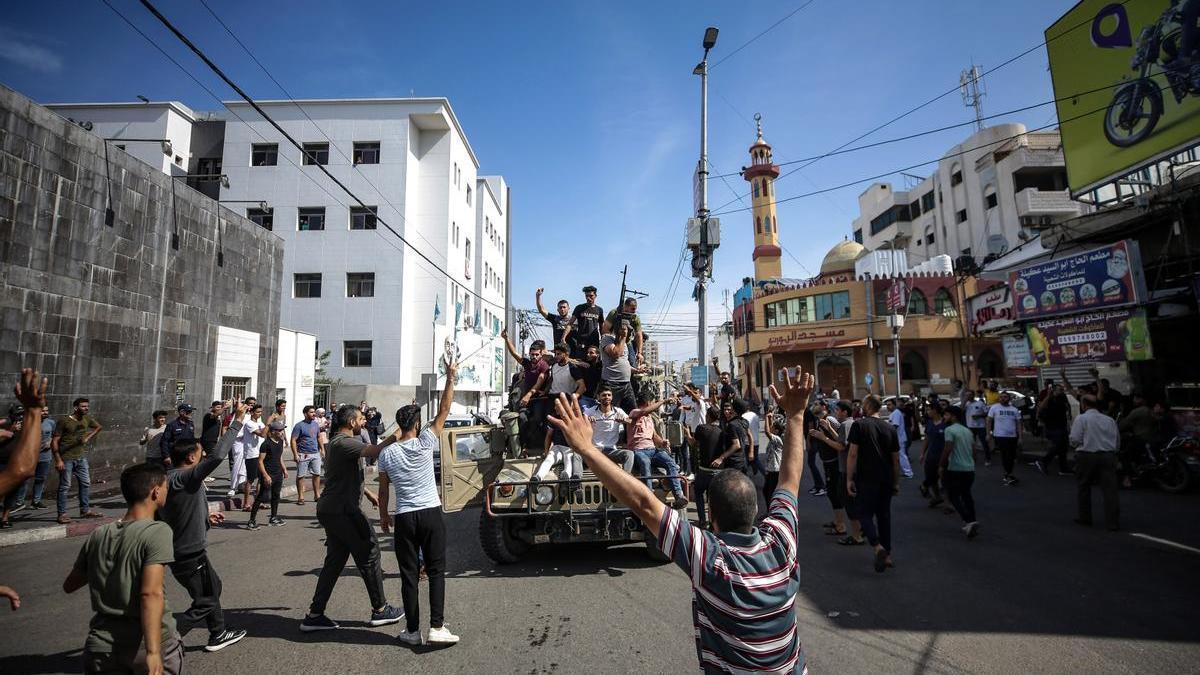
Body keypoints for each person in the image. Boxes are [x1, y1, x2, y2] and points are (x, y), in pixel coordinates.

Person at [543, 365, 813, 673]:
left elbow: (645, 504)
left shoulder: (712, 559)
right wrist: (796, 416)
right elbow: (790, 481)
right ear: (756, 511)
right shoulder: (781, 540)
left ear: (711, 519)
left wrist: (585, 449)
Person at [62, 463, 183, 675]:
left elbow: (70, 584)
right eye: (165, 486)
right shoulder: (157, 531)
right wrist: (153, 652)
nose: (167, 490)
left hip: (101, 646)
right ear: (155, 492)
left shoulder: (99, 534)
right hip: (144, 644)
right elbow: (150, 593)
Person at [377, 356, 461, 646]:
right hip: (430, 513)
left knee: (409, 575)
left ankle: (412, 631)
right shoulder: (426, 441)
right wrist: (450, 376)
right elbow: (445, 408)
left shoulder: (386, 453)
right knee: (436, 570)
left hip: (404, 517)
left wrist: (383, 516)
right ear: (416, 423)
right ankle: (436, 627)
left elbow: (384, 491)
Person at [301, 405, 405, 632]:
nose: (363, 422)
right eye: (360, 419)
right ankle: (380, 609)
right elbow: (375, 450)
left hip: (333, 508)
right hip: (343, 510)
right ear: (350, 422)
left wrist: (367, 493)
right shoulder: (343, 442)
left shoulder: (339, 444)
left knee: (335, 561)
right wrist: (400, 432)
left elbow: (340, 476)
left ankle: (315, 614)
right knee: (370, 552)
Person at [161, 400, 247, 652]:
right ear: (190, 457)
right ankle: (166, 636)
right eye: (199, 453)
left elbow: (179, 511)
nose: (204, 456)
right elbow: (219, 454)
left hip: (184, 549)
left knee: (210, 590)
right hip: (188, 552)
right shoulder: (187, 475)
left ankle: (217, 633)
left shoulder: (173, 479)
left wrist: (206, 516)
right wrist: (237, 421)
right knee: (207, 598)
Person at [846, 395, 900, 573]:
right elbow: (896, 460)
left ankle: (878, 547)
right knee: (884, 516)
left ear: (868, 406)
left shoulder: (859, 425)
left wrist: (849, 478)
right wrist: (896, 482)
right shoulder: (890, 428)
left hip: (866, 478)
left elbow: (852, 454)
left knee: (863, 513)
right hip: (886, 479)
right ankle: (888, 555)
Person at [628, 392, 688, 509]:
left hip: (652, 450)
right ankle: (649, 497)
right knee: (645, 463)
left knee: (670, 462)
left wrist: (663, 442)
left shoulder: (650, 418)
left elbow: (654, 436)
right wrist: (663, 401)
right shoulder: (634, 412)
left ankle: (679, 496)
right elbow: (644, 412)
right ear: (648, 403)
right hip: (638, 450)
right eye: (652, 403)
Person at [1071, 395, 1120, 531]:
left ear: (1084, 405)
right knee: (1110, 490)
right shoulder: (1109, 420)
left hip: (1087, 455)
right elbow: (1117, 440)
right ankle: (1113, 522)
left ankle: (1085, 517)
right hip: (1108, 455)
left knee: (1084, 487)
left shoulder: (1082, 419)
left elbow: (1074, 439)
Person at [51, 397, 103, 524]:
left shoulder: (86, 419)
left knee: (85, 484)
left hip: (81, 458)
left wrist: (87, 437)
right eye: (83, 406)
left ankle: (85, 511)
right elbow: (54, 441)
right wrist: (58, 460)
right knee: (65, 486)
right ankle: (62, 514)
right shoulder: (64, 421)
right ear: (76, 408)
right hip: (66, 458)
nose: (86, 408)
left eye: (87, 406)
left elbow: (99, 427)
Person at [502, 328, 551, 449]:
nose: (534, 357)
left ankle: (538, 445)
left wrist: (528, 395)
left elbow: (539, 382)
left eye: (536, 355)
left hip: (539, 399)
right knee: (522, 419)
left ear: (541, 355)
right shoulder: (527, 364)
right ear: (529, 354)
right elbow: (514, 354)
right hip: (526, 400)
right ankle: (523, 445)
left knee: (537, 419)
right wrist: (506, 339)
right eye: (532, 354)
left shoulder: (543, 366)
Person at [809, 401, 848, 535]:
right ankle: (838, 521)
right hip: (827, 461)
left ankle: (841, 525)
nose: (813, 405)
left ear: (824, 407)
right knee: (832, 492)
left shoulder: (830, 419)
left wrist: (823, 437)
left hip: (834, 462)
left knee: (834, 493)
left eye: (817, 403)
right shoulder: (819, 420)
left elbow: (841, 440)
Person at [940, 406, 979, 539]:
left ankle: (968, 521)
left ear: (953, 416)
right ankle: (972, 520)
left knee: (953, 496)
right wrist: (972, 463)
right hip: (969, 469)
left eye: (946, 415)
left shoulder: (949, 430)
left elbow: (947, 448)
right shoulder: (967, 431)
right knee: (967, 495)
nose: (944, 418)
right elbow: (974, 451)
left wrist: (941, 464)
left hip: (955, 468)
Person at [11, 403, 55, 511]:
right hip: (29, 456)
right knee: (24, 479)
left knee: (40, 479)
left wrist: (50, 441)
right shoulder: (27, 422)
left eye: (47, 411)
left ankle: (36, 501)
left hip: (45, 456)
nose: (46, 413)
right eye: (43, 411)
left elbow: (55, 435)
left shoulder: (51, 422)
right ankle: (19, 502)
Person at [248, 420, 288, 529]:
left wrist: (284, 469)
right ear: (273, 431)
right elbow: (260, 461)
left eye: (282, 430)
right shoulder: (266, 444)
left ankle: (273, 518)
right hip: (268, 474)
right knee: (261, 496)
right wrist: (265, 476)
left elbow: (279, 457)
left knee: (276, 496)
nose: (282, 432)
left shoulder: (280, 441)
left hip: (278, 473)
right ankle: (251, 521)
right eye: (280, 430)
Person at [584, 389, 634, 473]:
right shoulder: (592, 410)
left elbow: (630, 421)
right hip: (595, 450)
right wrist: (587, 419)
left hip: (611, 450)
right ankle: (575, 481)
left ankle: (625, 479)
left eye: (609, 395)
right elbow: (581, 418)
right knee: (576, 455)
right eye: (604, 395)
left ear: (612, 397)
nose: (606, 397)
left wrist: (623, 420)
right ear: (598, 397)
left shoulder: (618, 411)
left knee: (629, 454)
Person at [690, 407, 724, 529]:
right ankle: (712, 522)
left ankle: (702, 520)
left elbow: (692, 442)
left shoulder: (701, 428)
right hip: (718, 471)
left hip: (704, 471)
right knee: (712, 498)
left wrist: (686, 433)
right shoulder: (721, 431)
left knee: (698, 493)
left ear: (708, 416)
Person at [599, 322, 638, 414]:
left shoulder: (624, 343)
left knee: (633, 413)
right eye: (627, 331)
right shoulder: (607, 339)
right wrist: (623, 337)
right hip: (612, 383)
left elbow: (623, 363)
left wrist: (636, 370)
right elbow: (615, 354)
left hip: (626, 383)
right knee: (611, 413)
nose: (629, 335)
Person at [291, 405, 325, 506]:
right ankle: (301, 497)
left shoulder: (315, 424)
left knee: (316, 474)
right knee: (301, 476)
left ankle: (317, 495)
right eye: (311, 412)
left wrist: (322, 449)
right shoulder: (299, 425)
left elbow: (319, 437)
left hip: (315, 454)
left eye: (314, 412)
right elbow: (293, 440)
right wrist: (295, 454)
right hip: (303, 454)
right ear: (305, 414)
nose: (314, 414)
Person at [1037, 384, 1073, 476]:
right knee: (1057, 445)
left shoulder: (1063, 397)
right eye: (1059, 389)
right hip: (1052, 426)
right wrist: (1048, 395)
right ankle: (1043, 461)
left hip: (1062, 424)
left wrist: (1069, 416)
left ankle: (1063, 468)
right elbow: (1041, 407)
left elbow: (1067, 407)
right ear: (1054, 390)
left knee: (1064, 447)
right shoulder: (1049, 398)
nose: (1061, 391)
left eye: (1062, 389)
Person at [235, 404, 267, 509]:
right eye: (258, 412)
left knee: (261, 479)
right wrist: (269, 423)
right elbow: (262, 434)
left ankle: (258, 501)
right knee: (250, 479)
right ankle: (246, 503)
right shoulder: (249, 423)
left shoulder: (260, 423)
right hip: (251, 455)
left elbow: (266, 434)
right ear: (252, 413)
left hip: (260, 454)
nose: (260, 414)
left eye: (261, 412)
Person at [988, 392, 1023, 486]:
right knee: (1005, 455)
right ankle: (1008, 474)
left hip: (1012, 436)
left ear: (1009, 398)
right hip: (1000, 436)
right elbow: (989, 421)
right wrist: (988, 434)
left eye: (1005, 397)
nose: (1003, 398)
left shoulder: (1014, 410)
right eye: (1001, 397)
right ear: (999, 398)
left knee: (1011, 456)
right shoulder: (994, 408)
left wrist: (1020, 437)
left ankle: (1009, 473)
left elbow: (1019, 424)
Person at [919, 402, 947, 506]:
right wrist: (922, 453)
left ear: (935, 410)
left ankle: (949, 503)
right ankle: (937, 497)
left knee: (944, 479)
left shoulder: (945, 423)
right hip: (931, 456)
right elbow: (927, 439)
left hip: (944, 456)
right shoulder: (929, 423)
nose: (927, 412)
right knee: (931, 478)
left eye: (929, 409)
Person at [606, 297, 645, 366]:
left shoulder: (635, 318)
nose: (634, 311)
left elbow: (639, 335)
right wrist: (608, 342)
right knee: (612, 361)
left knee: (632, 362)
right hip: (613, 341)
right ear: (625, 306)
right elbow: (605, 329)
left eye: (635, 309)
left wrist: (639, 353)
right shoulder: (614, 313)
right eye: (632, 309)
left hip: (627, 342)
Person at [569, 285, 604, 359]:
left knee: (594, 362)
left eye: (591, 296)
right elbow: (570, 323)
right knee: (580, 362)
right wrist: (563, 337)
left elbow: (602, 327)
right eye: (586, 296)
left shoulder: (599, 310)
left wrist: (604, 340)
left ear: (595, 296)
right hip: (582, 340)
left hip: (594, 341)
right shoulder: (579, 308)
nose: (589, 298)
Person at [159, 404, 195, 470]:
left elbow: (192, 440)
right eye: (188, 411)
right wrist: (166, 456)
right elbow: (164, 441)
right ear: (181, 412)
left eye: (191, 411)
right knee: (172, 475)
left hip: (186, 456)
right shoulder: (172, 425)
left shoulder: (191, 424)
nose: (191, 413)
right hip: (174, 456)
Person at [801, 401, 826, 496]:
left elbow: (811, 428)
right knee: (811, 464)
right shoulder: (807, 412)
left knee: (811, 463)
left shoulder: (807, 412)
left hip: (813, 441)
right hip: (813, 440)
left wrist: (807, 441)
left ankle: (821, 486)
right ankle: (817, 486)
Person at [885, 399, 915, 479]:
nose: (888, 406)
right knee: (897, 456)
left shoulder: (896, 413)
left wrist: (888, 434)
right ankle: (898, 471)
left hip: (899, 438)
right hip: (897, 438)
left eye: (890, 404)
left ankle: (908, 472)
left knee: (902, 455)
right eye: (887, 405)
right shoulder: (894, 413)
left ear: (894, 405)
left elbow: (895, 426)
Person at [761, 418, 785, 508]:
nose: (771, 428)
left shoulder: (778, 439)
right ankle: (769, 512)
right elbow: (770, 429)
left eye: (773, 427)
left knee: (771, 493)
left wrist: (766, 418)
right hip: (771, 469)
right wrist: (770, 418)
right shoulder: (774, 438)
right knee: (766, 491)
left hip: (776, 471)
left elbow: (767, 432)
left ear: (776, 430)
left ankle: (772, 512)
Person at [965, 391, 991, 466]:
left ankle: (988, 459)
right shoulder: (966, 404)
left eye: (970, 395)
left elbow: (987, 413)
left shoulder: (980, 403)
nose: (968, 396)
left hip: (981, 426)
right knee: (970, 444)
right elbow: (961, 409)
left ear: (973, 395)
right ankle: (972, 459)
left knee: (984, 443)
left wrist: (979, 416)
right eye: (967, 395)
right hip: (970, 426)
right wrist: (964, 400)